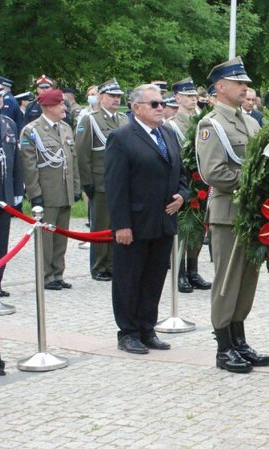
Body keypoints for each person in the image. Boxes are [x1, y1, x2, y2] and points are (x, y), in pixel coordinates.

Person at [196, 56, 269, 373]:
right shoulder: (210, 124)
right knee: (227, 280)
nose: (245, 88)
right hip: (228, 213)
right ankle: (224, 346)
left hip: (251, 214)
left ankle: (239, 338)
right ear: (221, 87)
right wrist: (253, 182)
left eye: (246, 84)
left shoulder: (251, 122)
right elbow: (213, 172)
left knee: (246, 280)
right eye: (239, 83)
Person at [105, 84, 188, 354]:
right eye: (154, 104)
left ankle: (146, 328)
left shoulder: (168, 134)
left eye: (162, 103)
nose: (160, 108)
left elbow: (181, 174)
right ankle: (128, 331)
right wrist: (121, 225)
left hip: (163, 221)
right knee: (129, 279)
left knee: (153, 279)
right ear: (136, 107)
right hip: (135, 223)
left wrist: (182, 196)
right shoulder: (122, 137)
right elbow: (116, 185)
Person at [20, 89, 81, 290]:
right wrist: (35, 193)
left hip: (64, 191)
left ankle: (58, 273)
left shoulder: (65, 128)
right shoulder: (32, 131)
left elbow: (72, 160)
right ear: (47, 107)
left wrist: (75, 188)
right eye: (60, 105)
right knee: (46, 238)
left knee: (61, 236)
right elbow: (29, 166)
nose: (64, 108)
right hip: (47, 192)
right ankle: (46, 276)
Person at [76, 78, 128, 281]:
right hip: (101, 181)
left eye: (118, 96)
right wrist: (86, 182)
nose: (116, 100)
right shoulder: (90, 120)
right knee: (101, 225)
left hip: (121, 181)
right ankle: (99, 266)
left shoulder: (123, 119)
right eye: (112, 96)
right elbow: (82, 154)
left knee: (118, 223)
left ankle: (114, 263)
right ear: (101, 97)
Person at [166, 77, 211, 294]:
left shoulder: (202, 120)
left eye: (194, 95)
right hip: (183, 182)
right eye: (188, 96)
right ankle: (180, 272)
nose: (193, 99)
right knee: (183, 228)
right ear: (177, 98)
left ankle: (193, 270)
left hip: (201, 180)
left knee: (199, 227)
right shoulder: (173, 124)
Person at [0, 78, 23, 298]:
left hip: (5, 192)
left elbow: (15, 160)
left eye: (0, 96)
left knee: (1, 241)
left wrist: (18, 191)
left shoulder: (9, 123)